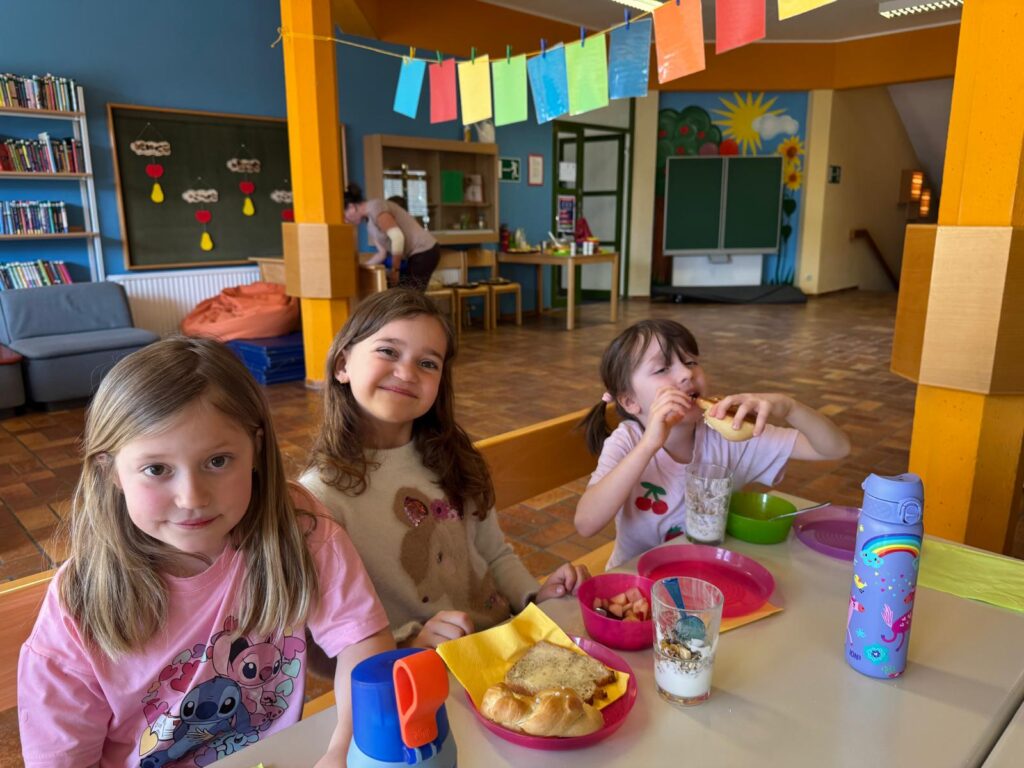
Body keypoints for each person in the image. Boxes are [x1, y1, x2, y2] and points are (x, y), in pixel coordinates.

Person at [18, 337, 393, 768]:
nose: (192, 497)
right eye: (156, 469)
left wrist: (345, 750)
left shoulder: (298, 523)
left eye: (217, 461)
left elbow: (362, 642)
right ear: (111, 471)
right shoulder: (78, 604)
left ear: (255, 448)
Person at [300, 288, 590, 648]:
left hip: (504, 641)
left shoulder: (455, 458)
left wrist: (535, 597)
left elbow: (494, 554)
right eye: (388, 351)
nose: (406, 372)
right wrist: (410, 644)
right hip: (417, 668)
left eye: (427, 363)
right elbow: (326, 639)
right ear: (342, 365)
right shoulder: (319, 498)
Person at [575, 319, 850, 569]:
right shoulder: (627, 441)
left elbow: (835, 448)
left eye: (690, 361)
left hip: (708, 573)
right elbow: (586, 524)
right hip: (636, 580)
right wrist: (648, 446)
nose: (686, 373)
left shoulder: (729, 434)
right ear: (630, 401)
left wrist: (789, 407)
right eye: (662, 368)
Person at [345, 182, 440, 290]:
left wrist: (395, 270)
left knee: (409, 295)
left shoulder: (376, 207)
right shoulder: (370, 224)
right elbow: (382, 253)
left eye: (345, 215)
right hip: (414, 255)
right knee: (400, 293)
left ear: (351, 207)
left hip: (425, 250)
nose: (346, 220)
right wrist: (360, 268)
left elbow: (397, 238)